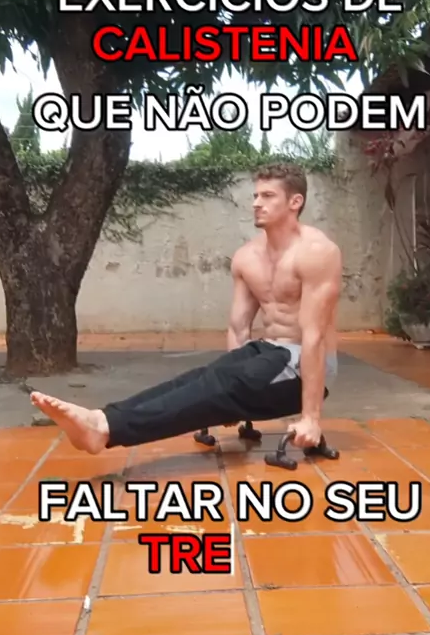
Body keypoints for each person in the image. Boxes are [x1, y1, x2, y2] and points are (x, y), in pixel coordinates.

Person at [31, 162, 342, 456]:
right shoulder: (247, 256)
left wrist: (311, 418)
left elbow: (314, 337)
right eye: (256, 195)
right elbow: (238, 328)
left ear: (295, 202)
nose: (257, 203)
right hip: (268, 352)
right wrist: (232, 401)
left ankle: (106, 429)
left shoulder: (317, 252)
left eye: (268, 196)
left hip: (303, 366)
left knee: (222, 383)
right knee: (203, 377)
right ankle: (102, 419)